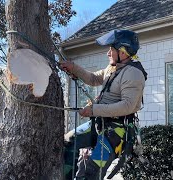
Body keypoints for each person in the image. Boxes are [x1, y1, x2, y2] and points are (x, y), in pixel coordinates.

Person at [61, 29, 147, 180]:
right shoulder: (112, 68)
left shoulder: (133, 73)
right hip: (98, 124)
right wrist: (73, 67)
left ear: (123, 52)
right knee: (69, 142)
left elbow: (127, 106)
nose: (108, 53)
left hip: (115, 132)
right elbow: (93, 78)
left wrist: (94, 110)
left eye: (111, 49)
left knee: (92, 171)